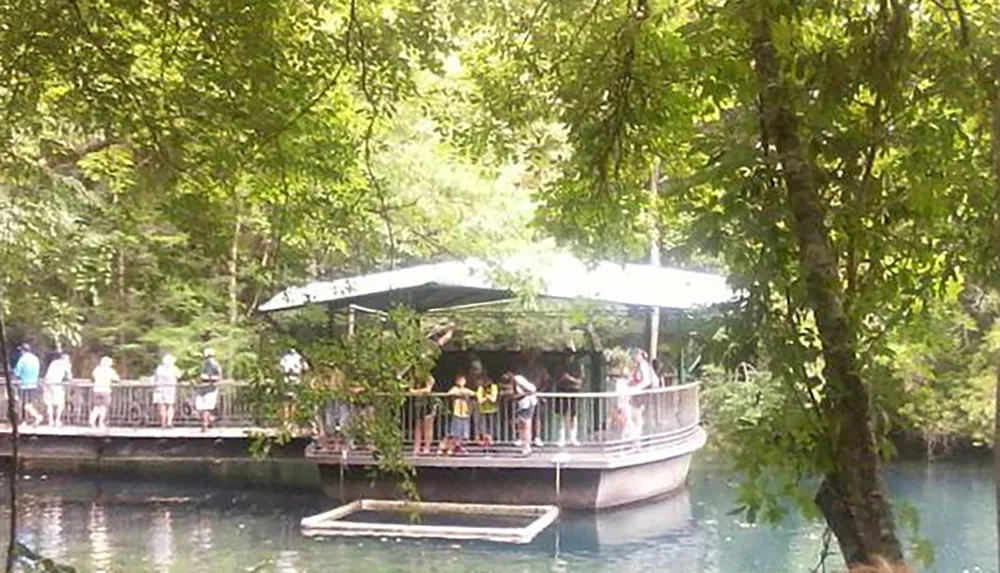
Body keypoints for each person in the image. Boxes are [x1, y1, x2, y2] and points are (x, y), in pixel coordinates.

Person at [404, 323, 454, 455]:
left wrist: (448, 330)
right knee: (418, 426)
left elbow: (427, 389)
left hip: (427, 402)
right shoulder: (414, 372)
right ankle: (416, 448)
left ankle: (426, 448)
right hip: (417, 403)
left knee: (428, 424)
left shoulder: (428, 376)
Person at [625, 347, 655, 442]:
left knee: (636, 416)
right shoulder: (639, 366)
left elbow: (647, 380)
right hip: (637, 395)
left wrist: (636, 388)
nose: (634, 358)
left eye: (635, 355)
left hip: (641, 396)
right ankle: (635, 436)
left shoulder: (644, 366)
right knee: (634, 415)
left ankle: (637, 436)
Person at [503, 371, 538, 455]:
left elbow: (532, 389)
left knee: (526, 426)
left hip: (528, 403)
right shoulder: (510, 382)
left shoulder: (518, 379)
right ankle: (525, 445)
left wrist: (524, 394)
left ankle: (527, 447)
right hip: (521, 404)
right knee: (521, 427)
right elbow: (513, 395)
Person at [439, 373, 474, 455]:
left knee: (463, 432)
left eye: (463, 380)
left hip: (465, 413)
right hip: (457, 413)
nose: (462, 382)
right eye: (460, 380)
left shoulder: (466, 390)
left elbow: (472, 393)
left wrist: (464, 393)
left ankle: (459, 446)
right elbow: (450, 393)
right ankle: (449, 447)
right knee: (454, 432)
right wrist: (459, 393)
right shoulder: (454, 389)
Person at [553, 353, 583, 447]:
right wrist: (563, 379)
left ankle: (573, 438)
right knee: (562, 415)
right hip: (562, 392)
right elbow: (556, 379)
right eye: (566, 356)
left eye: (570, 356)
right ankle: (561, 438)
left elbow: (580, 382)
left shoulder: (577, 367)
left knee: (573, 415)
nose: (568, 358)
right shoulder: (559, 367)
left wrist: (569, 378)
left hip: (573, 392)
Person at [11, 343, 43, 426]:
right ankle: (25, 421)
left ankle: (37, 416)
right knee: (28, 403)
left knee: (24, 404)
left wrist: (13, 380)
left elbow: (17, 372)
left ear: (23, 351)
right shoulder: (36, 359)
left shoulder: (23, 360)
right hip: (33, 384)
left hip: (24, 384)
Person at [279, 348, 308, 424]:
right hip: (293, 380)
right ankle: (290, 420)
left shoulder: (286, 357)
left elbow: (281, 369)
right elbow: (306, 368)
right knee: (291, 401)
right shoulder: (299, 357)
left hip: (290, 380)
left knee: (289, 401)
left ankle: (289, 420)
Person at [89, 356, 119, 429]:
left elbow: (93, 377)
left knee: (96, 406)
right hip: (105, 390)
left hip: (96, 390)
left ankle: (92, 420)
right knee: (104, 407)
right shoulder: (110, 370)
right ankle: (101, 422)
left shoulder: (97, 369)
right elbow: (117, 379)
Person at [196, 348, 222, 431]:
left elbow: (219, 377)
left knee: (206, 407)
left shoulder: (215, 365)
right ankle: (209, 420)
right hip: (202, 389)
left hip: (211, 389)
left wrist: (209, 378)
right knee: (201, 407)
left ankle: (206, 424)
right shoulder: (203, 365)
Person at [42, 352, 72, 427]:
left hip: (47, 383)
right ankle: (57, 420)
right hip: (57, 384)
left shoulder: (54, 363)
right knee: (60, 403)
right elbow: (69, 377)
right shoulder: (66, 364)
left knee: (50, 403)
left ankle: (50, 421)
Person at [473, 364, 498, 449]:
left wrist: (487, 397)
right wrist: (487, 397)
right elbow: (480, 399)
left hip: (491, 409)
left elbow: (493, 399)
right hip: (482, 408)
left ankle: (490, 440)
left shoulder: (494, 387)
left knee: (491, 424)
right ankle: (482, 439)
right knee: (481, 424)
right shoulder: (480, 388)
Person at [153, 354, 181, 428]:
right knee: (170, 405)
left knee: (162, 405)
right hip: (171, 389)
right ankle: (169, 421)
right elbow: (179, 375)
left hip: (160, 389)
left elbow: (155, 377)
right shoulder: (174, 369)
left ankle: (163, 422)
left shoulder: (159, 368)